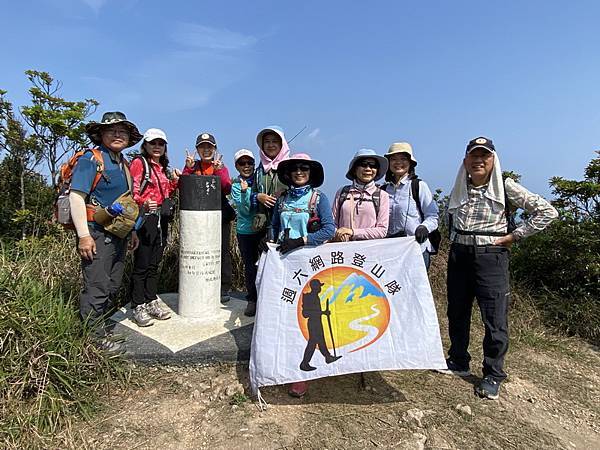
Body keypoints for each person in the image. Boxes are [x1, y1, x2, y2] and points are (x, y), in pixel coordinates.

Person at [438, 136, 558, 400]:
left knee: (494, 318)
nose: (479, 160)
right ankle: (458, 361)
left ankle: (493, 374)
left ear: (493, 160)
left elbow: (547, 212)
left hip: (491, 256)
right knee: (457, 312)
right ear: (465, 160)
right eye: (474, 156)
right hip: (459, 255)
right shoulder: (460, 186)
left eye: (485, 156)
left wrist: (515, 236)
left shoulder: (505, 187)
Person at [69, 111, 142, 353]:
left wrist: (131, 231)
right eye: (112, 130)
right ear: (101, 134)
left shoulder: (122, 163)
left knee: (112, 284)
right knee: (97, 285)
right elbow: (76, 197)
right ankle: (92, 340)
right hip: (96, 233)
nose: (118, 135)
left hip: (118, 234)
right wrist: (83, 236)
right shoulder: (91, 159)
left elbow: (126, 200)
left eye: (123, 131)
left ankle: (100, 326)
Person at [270, 153, 336, 397]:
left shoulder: (319, 198)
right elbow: (274, 225)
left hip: (307, 268)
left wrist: (303, 240)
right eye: (295, 168)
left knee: (302, 320)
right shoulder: (283, 198)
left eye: (304, 169)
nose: (299, 172)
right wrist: (269, 240)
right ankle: (282, 362)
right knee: (284, 317)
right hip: (284, 266)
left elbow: (330, 228)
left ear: (310, 173)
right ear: (288, 173)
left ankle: (300, 376)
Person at [129, 128, 181, 327]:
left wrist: (175, 181)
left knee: (154, 263)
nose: (157, 147)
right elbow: (132, 192)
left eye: (161, 143)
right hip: (146, 219)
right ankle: (138, 305)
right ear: (145, 145)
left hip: (161, 219)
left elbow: (165, 191)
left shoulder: (162, 168)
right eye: (153, 143)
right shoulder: (139, 163)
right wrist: (143, 202)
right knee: (142, 264)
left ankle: (151, 300)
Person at [183, 132, 234, 302]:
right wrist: (188, 168)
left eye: (209, 146)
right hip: (197, 220)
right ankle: (198, 285)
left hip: (219, 217)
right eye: (202, 146)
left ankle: (223, 288)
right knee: (199, 250)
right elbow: (183, 187)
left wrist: (219, 171)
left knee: (223, 250)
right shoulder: (192, 166)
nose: (206, 150)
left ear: (214, 148)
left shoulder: (221, 167)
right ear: (197, 149)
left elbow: (226, 188)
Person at [246, 126, 291, 316]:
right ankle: (254, 299)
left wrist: (284, 194)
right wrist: (259, 197)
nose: (271, 145)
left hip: (284, 226)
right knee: (256, 265)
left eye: (275, 141)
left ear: (282, 144)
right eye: (267, 142)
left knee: (283, 265)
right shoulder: (259, 171)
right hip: (261, 226)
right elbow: (251, 195)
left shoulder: (290, 166)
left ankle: (278, 301)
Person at [382, 142, 439, 270]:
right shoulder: (383, 190)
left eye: (403, 159)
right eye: (394, 159)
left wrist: (424, 227)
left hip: (416, 248)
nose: (398, 162)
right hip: (391, 251)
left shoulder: (418, 186)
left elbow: (432, 215)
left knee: (417, 289)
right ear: (388, 163)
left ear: (410, 163)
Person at [332, 149, 390, 242]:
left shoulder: (382, 196)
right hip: (343, 249)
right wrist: (338, 234)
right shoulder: (342, 192)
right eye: (363, 164)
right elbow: (332, 223)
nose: (368, 169)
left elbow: (382, 230)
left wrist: (353, 232)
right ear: (354, 169)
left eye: (373, 166)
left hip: (369, 251)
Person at [230, 149, 261, 316]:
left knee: (265, 266)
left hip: (262, 230)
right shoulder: (236, 186)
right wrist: (244, 192)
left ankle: (265, 298)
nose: (246, 166)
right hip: (245, 232)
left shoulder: (260, 181)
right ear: (236, 166)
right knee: (250, 267)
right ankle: (252, 299)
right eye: (242, 163)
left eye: (250, 163)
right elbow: (245, 210)